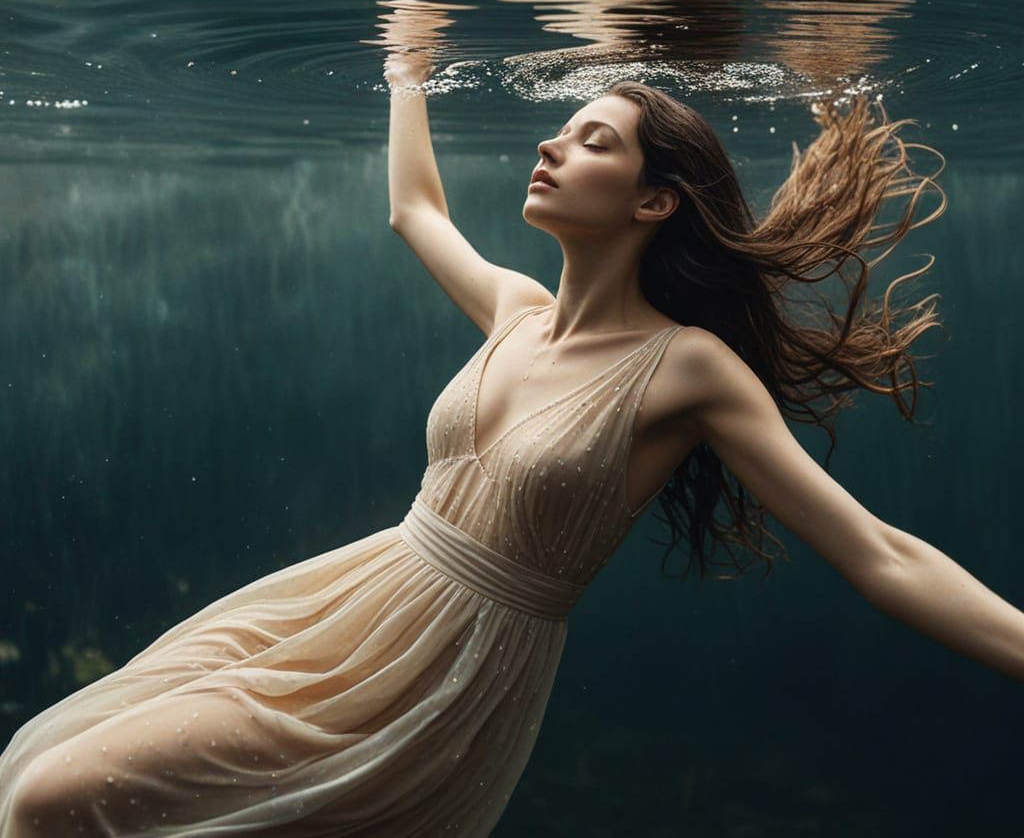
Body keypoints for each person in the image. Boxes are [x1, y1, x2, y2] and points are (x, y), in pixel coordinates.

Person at [1, 50, 1021, 837]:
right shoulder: (516, 309)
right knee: (30, 778)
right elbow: (413, 208)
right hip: (347, 604)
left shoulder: (688, 367)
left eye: (590, 140)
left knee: (53, 800)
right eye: (559, 131)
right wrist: (407, 68)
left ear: (654, 200)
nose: (549, 147)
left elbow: (881, 555)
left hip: (443, 666)